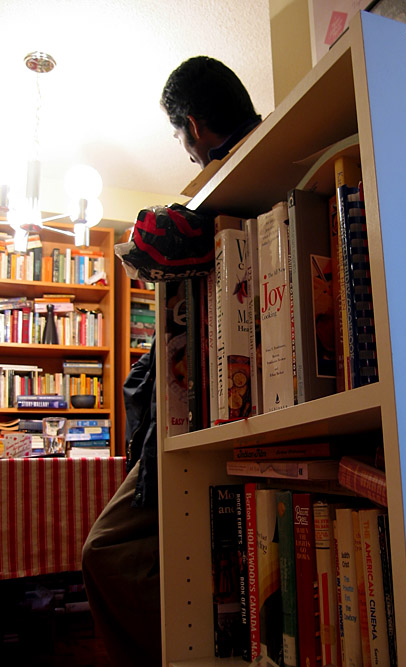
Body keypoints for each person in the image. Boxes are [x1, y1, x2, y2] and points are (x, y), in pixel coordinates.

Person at [82, 56, 261, 667]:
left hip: (200, 410)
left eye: (179, 137)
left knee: (104, 551)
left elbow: (155, 238)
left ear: (193, 123)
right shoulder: (253, 163)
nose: (186, 153)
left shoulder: (229, 173)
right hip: (212, 397)